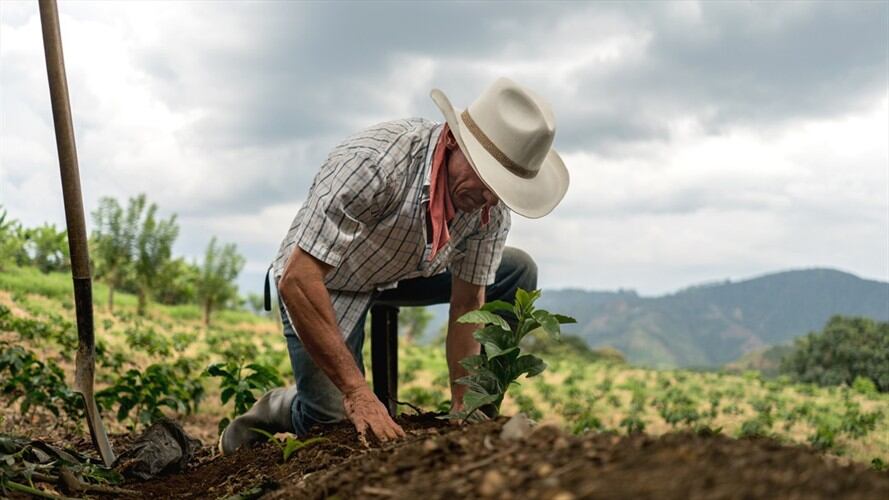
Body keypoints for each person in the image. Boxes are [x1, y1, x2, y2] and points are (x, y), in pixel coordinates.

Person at [220, 77, 570, 454]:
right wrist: (357, 392)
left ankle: (479, 416)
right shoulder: (375, 163)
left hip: (405, 270)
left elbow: (469, 304)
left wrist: (464, 407)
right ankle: (279, 406)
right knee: (332, 422)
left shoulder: (489, 207)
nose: (489, 198)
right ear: (454, 142)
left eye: (501, 189)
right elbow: (298, 278)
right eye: (486, 179)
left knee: (517, 270)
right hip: (328, 279)